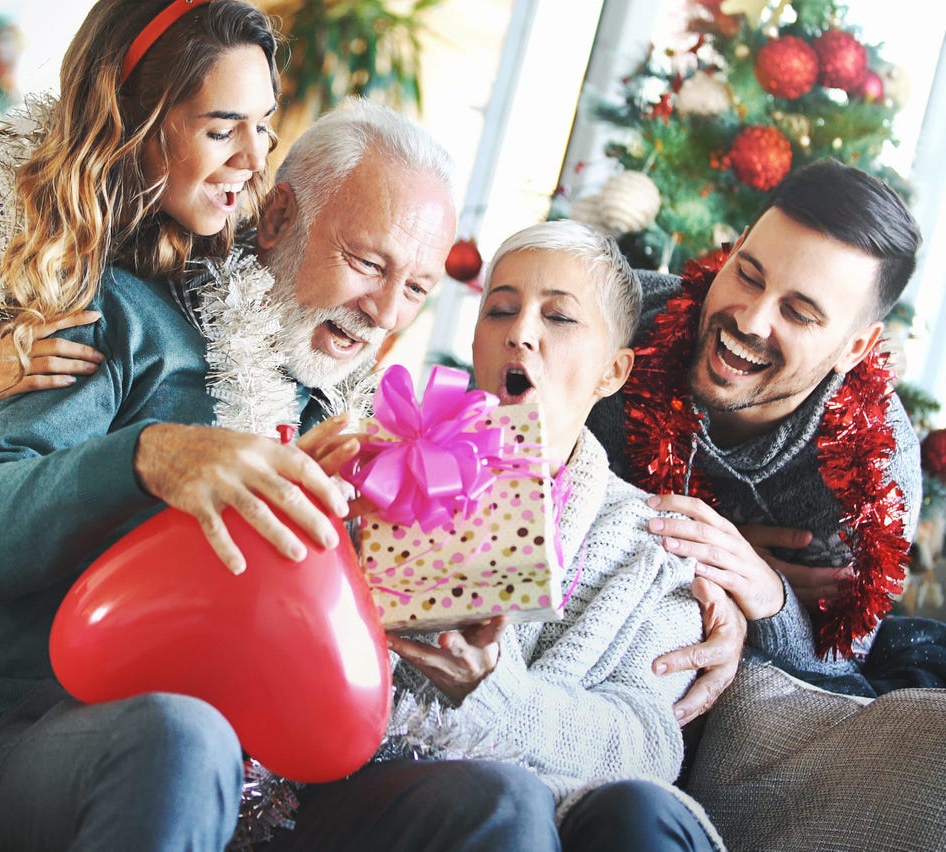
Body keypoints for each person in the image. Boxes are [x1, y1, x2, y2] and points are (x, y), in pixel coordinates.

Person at [0, 93, 578, 851]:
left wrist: (448, 650)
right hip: (58, 728)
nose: (386, 312)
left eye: (418, 288)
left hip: (277, 782)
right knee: (184, 738)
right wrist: (144, 458)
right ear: (276, 219)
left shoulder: (372, 432)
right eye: (368, 263)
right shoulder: (122, 317)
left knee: (502, 801)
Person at [0, 0, 291, 827]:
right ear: (138, 121)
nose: (256, 159)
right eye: (223, 130)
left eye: (266, 126)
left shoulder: (214, 273)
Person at [292, 219, 719, 851]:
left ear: (613, 371)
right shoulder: (383, 471)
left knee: (611, 814)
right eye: (501, 310)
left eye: (560, 318)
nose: (521, 333)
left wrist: (497, 694)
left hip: (568, 817)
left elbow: (647, 743)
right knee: (506, 801)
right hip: (372, 791)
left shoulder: (652, 545)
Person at [588, 157, 946, 697]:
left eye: (800, 313)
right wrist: (694, 553)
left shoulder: (875, 469)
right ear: (731, 251)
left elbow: (841, 660)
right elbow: (495, 474)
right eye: (748, 275)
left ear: (854, 348)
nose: (751, 320)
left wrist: (766, 592)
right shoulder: (619, 319)